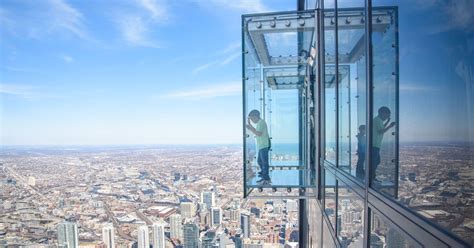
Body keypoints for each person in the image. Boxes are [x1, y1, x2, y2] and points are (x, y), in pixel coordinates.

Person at [246, 109, 271, 185]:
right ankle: (264, 175)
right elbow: (256, 131)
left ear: (256, 116)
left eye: (252, 119)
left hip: (263, 145)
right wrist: (249, 125)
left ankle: (266, 179)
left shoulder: (261, 123)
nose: (252, 121)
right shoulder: (260, 123)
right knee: (260, 161)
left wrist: (250, 128)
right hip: (262, 145)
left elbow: (258, 133)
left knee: (264, 162)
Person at [372, 106, 396, 182]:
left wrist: (387, 122)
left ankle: (372, 177)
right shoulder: (377, 120)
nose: (387, 117)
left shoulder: (377, 120)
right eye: (387, 115)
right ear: (382, 113)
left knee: (376, 161)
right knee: (374, 162)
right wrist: (390, 126)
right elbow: (380, 131)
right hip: (374, 144)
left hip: (375, 144)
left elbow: (381, 128)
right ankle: (372, 178)